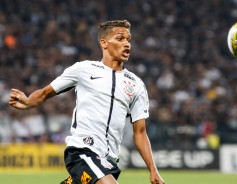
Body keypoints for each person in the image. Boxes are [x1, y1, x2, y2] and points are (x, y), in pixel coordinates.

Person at [9, 20, 165, 184]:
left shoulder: (136, 84)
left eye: (128, 40)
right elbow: (44, 93)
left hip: (108, 162)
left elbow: (140, 132)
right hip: (82, 151)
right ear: (104, 43)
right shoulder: (83, 69)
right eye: (120, 39)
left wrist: (153, 170)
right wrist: (28, 102)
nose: (126, 44)